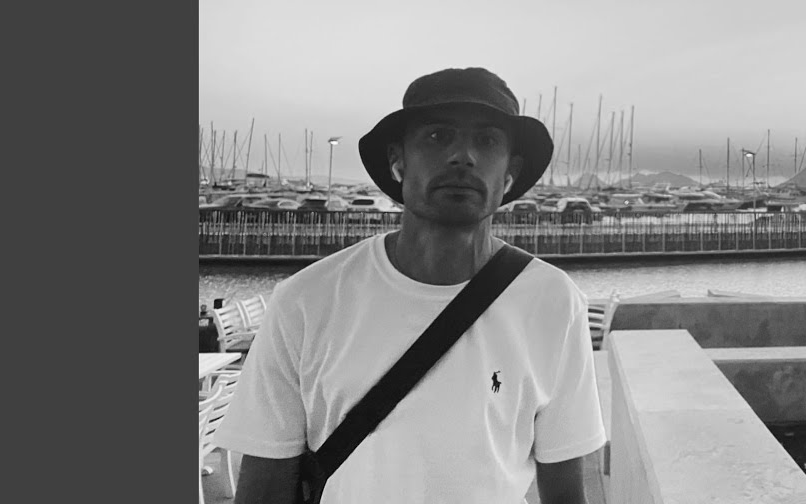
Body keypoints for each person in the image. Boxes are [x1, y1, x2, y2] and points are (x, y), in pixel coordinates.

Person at [214, 67, 606, 504]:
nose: (463, 156)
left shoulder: (553, 302)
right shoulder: (306, 301)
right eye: (438, 136)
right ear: (398, 160)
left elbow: (565, 491)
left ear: (510, 172)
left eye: (487, 140)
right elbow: (264, 487)